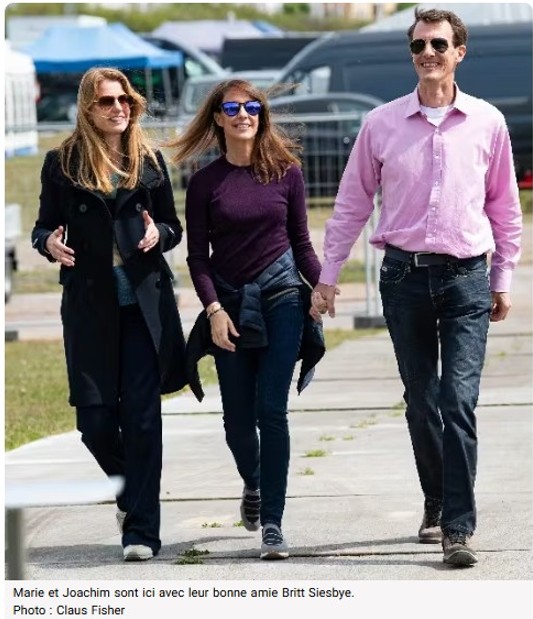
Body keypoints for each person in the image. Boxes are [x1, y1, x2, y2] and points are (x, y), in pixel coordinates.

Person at [313, 8, 522, 567]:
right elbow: (352, 202)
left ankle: (458, 526)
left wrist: (502, 276)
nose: (428, 53)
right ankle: (436, 497)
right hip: (403, 278)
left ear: (459, 53)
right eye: (419, 45)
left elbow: (504, 206)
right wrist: (328, 275)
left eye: (438, 44)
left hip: (466, 278)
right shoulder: (381, 124)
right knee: (422, 401)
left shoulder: (487, 122)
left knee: (458, 400)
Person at [31, 67, 188, 562]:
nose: (118, 108)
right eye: (106, 101)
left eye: (124, 100)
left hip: (144, 307)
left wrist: (158, 235)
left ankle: (141, 531)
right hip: (89, 307)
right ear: (88, 108)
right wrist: (49, 243)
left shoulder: (149, 160)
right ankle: (130, 494)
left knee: (142, 419)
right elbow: (42, 228)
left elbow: (172, 225)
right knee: (95, 423)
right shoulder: (62, 164)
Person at [168, 79, 325, 560]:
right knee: (237, 419)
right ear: (218, 117)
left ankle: (273, 523)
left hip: (282, 300)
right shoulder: (204, 182)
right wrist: (214, 310)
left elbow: (300, 242)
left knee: (271, 411)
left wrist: (322, 284)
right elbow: (198, 258)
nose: (243, 115)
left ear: (262, 114)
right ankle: (253, 483)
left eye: (252, 107)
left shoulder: (287, 173)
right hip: (230, 306)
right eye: (233, 107)